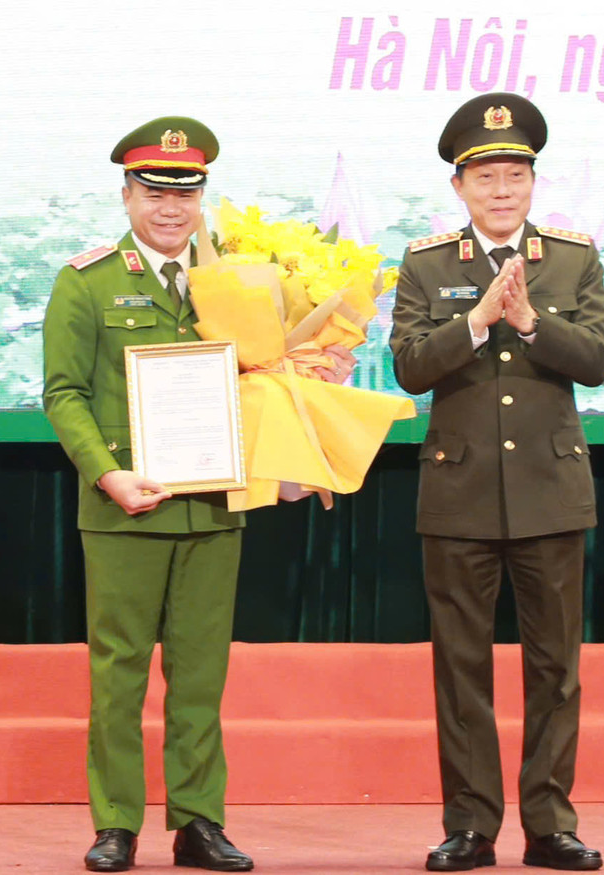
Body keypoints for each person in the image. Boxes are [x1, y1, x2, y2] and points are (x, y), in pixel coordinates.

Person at [43, 116, 351, 873]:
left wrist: (312, 380)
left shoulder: (238, 281)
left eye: (184, 193)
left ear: (202, 198)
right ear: (126, 195)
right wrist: (107, 473)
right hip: (124, 506)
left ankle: (198, 821)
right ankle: (116, 824)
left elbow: (264, 380)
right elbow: (63, 393)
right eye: (154, 192)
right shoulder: (88, 281)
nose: (170, 207)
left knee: (201, 674)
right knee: (118, 674)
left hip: (215, 504)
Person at [389, 93, 604, 872]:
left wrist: (529, 322)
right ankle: (471, 827)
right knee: (462, 669)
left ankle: (550, 825)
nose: (501, 190)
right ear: (459, 186)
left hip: (550, 490)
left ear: (533, 182)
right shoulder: (427, 263)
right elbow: (409, 366)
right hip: (459, 494)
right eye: (485, 176)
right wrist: (477, 320)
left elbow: (598, 360)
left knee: (555, 668)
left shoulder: (573, 258)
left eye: (515, 174)